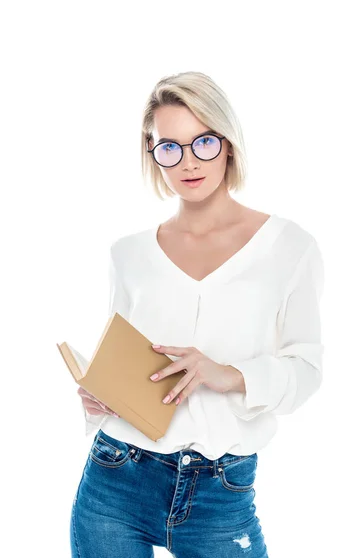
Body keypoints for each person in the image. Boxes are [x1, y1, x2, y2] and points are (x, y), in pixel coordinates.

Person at [71, 71, 325, 558]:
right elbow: (123, 359)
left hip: (220, 494)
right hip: (115, 481)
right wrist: (99, 395)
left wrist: (226, 374)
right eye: (169, 148)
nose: (188, 162)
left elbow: (308, 371)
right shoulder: (128, 254)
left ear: (228, 144)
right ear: (153, 155)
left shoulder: (290, 248)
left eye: (203, 142)